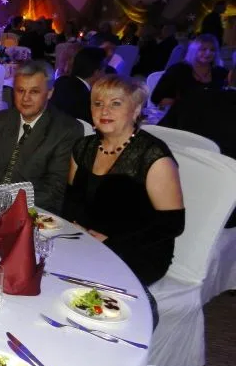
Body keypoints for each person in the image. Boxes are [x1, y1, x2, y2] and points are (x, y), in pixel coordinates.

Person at [63, 75, 185, 288]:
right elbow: (71, 199)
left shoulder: (153, 156)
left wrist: (110, 242)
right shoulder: (82, 147)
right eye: (98, 103)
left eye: (116, 103)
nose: (104, 111)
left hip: (138, 251)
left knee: (73, 284)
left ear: (136, 109)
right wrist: (75, 226)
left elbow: (172, 224)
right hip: (88, 240)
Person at [0, 60, 83, 213]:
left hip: (33, 212)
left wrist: (4, 202)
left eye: (34, 92)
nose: (25, 98)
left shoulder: (66, 130)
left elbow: (53, 189)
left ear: (49, 93)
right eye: (20, 90)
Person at [151, 34, 229, 110]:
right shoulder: (178, 70)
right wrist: (184, 104)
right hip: (182, 114)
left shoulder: (220, 72)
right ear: (194, 51)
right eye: (203, 49)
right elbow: (156, 98)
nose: (208, 53)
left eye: (212, 50)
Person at [51, 47, 106, 123]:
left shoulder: (60, 81)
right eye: (104, 70)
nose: (105, 74)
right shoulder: (86, 100)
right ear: (96, 72)